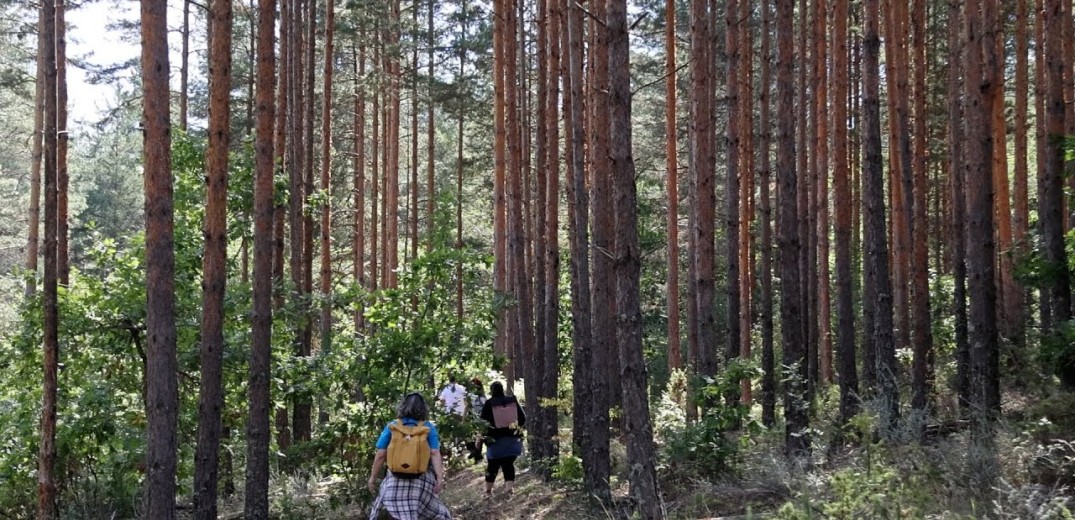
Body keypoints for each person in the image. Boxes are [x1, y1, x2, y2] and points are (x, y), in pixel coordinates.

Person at [367, 392, 451, 520]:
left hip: (394, 481)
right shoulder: (428, 427)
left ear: (402, 406)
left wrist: (372, 478)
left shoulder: (393, 426)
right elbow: (434, 453)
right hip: (421, 480)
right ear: (423, 408)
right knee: (440, 514)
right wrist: (440, 478)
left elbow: (380, 454)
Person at [480, 381, 526, 495]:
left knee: (492, 466)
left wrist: (480, 441)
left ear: (491, 391)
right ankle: (509, 489)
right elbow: (523, 418)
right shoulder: (512, 401)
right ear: (503, 389)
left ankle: (488, 490)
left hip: (495, 442)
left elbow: (482, 424)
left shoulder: (489, 404)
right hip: (513, 441)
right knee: (508, 464)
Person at [464, 378, 487, 463]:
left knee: (478, 437)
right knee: (477, 437)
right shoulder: (479, 396)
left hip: (479, 418)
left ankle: (477, 454)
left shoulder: (480, 396)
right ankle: (476, 454)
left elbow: (467, 407)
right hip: (477, 418)